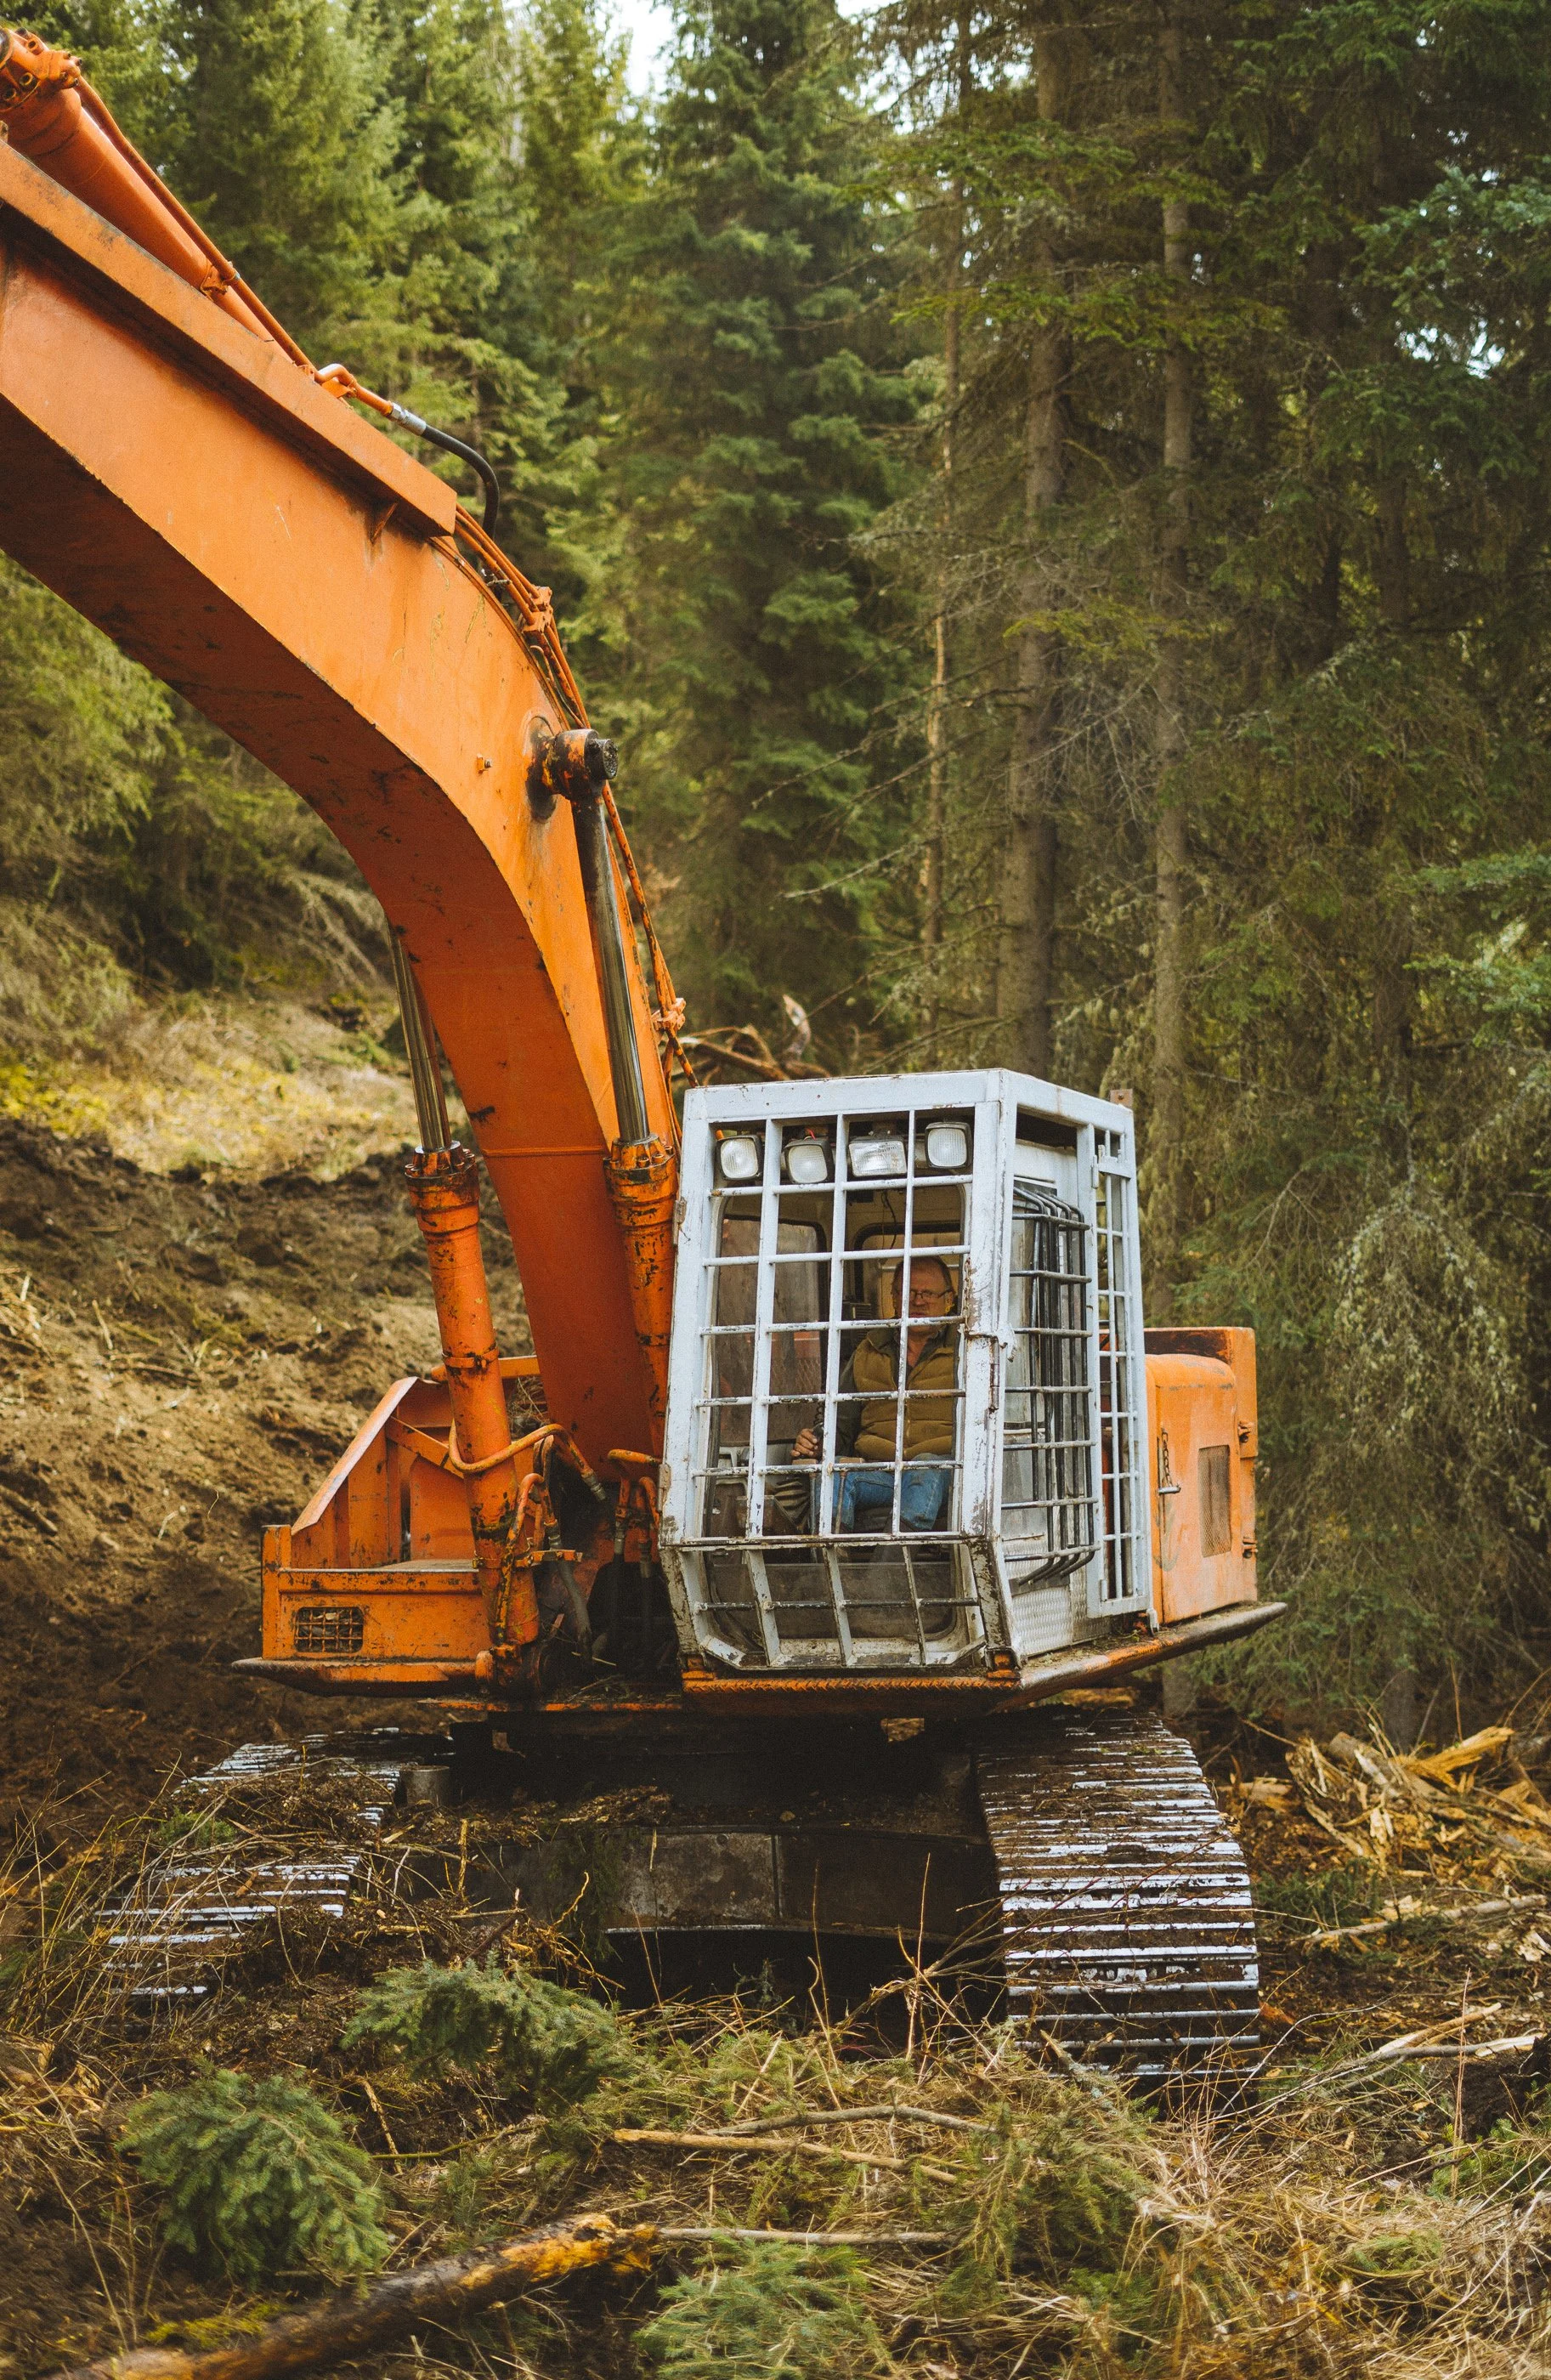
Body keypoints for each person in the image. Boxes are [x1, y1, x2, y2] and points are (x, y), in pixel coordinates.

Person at [790, 1254, 958, 1531]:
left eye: (928, 1293)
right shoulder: (868, 1349)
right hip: (881, 1473)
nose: (917, 1301)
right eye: (907, 1292)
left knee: (925, 1467)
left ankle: (886, 1570)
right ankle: (832, 1563)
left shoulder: (964, 1350)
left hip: (944, 1476)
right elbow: (841, 1424)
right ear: (893, 1296)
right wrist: (818, 1441)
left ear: (948, 1299)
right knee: (834, 1472)